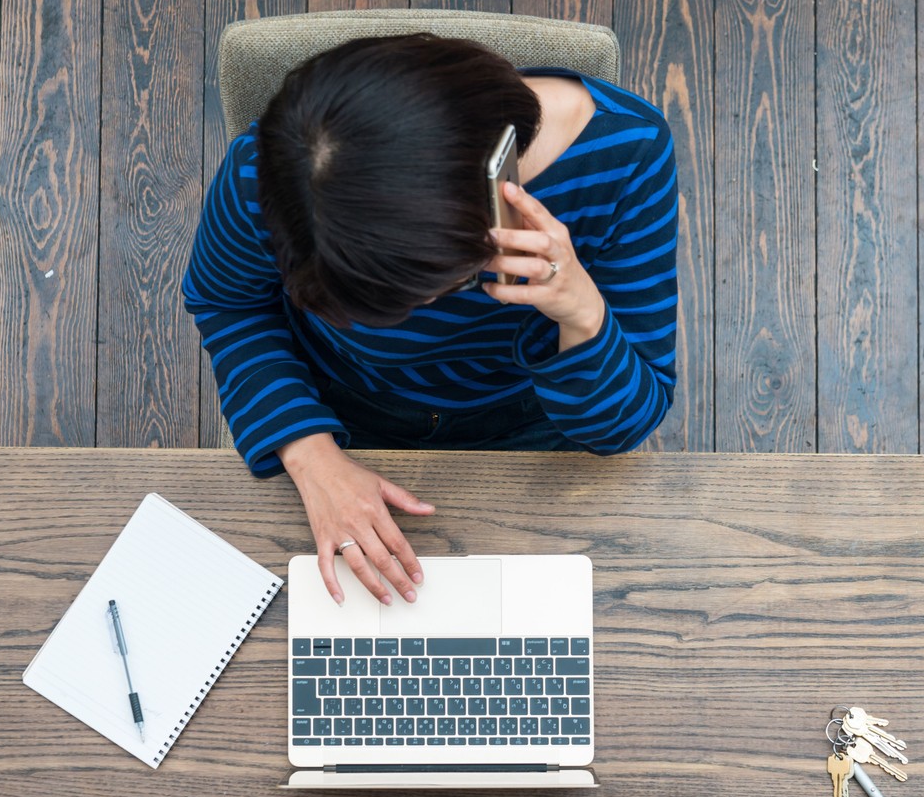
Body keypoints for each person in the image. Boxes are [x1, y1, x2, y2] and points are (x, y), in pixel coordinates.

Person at [182, 33, 679, 609]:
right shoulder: (268, 171)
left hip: (534, 416)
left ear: (487, 210)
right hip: (339, 403)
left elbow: (621, 427)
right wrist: (309, 454)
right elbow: (228, 302)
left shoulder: (627, 156)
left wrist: (580, 310)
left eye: (435, 289)